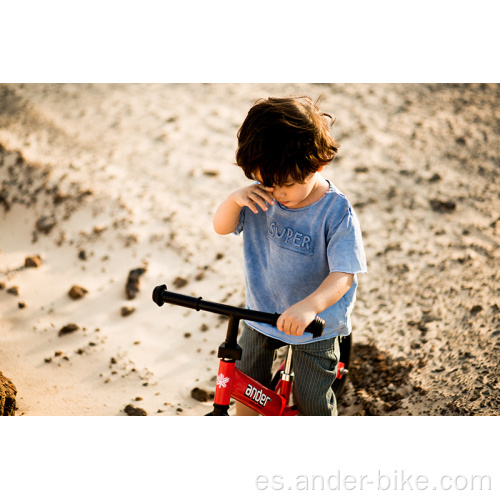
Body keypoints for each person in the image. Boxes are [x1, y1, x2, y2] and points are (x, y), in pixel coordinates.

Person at [213, 96, 367, 416]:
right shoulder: (262, 192)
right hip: (262, 309)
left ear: (317, 166)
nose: (276, 192)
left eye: (286, 184)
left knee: (312, 399)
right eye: (266, 181)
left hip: (314, 324)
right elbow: (221, 227)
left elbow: (344, 274)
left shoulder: (336, 211)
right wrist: (234, 200)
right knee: (245, 387)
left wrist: (309, 307)